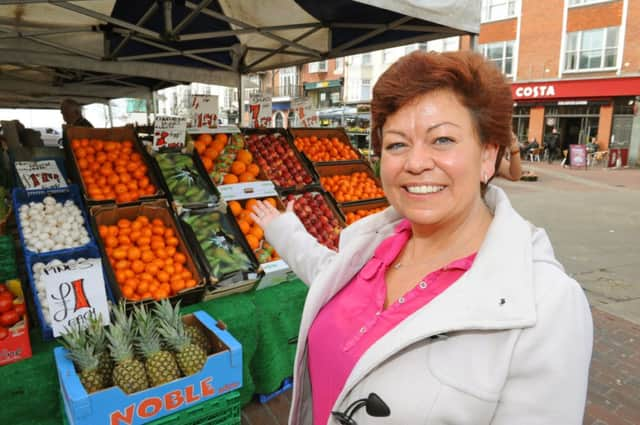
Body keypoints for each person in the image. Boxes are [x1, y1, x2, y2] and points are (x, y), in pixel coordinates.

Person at [251, 51, 593, 425]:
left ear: (487, 156)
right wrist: (284, 231)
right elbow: (328, 276)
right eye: (397, 144)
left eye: (442, 139)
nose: (415, 163)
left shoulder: (548, 306)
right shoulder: (377, 242)